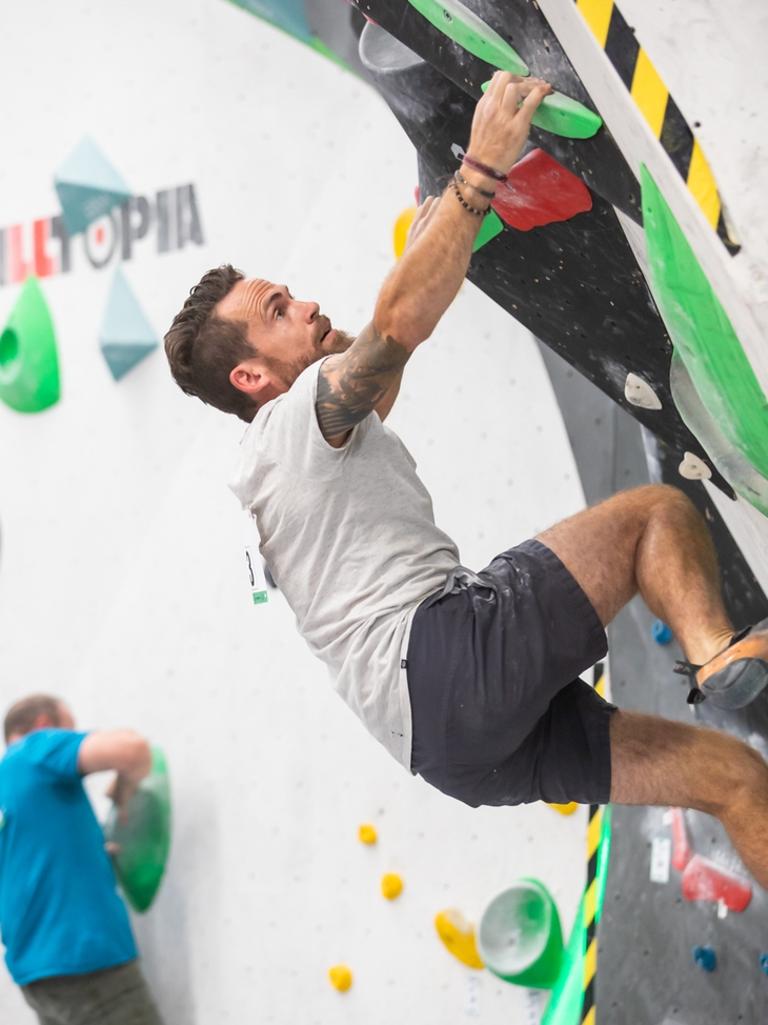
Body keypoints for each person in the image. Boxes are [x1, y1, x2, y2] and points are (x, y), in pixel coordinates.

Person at [163, 72, 768, 888]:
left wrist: (428, 239)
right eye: (277, 309)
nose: (303, 306)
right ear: (249, 379)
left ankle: (724, 670)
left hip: (452, 752)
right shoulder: (291, 422)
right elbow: (396, 328)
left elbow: (386, 349)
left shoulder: (288, 460)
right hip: (444, 660)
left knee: (736, 779)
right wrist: (478, 172)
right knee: (656, 516)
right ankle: (720, 656)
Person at [0, 694, 164, 1025]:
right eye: (69, 730)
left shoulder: (8, 782)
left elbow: (31, 864)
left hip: (36, 974)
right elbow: (134, 749)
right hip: (87, 960)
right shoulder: (35, 748)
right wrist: (126, 789)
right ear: (45, 724)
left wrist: (93, 855)